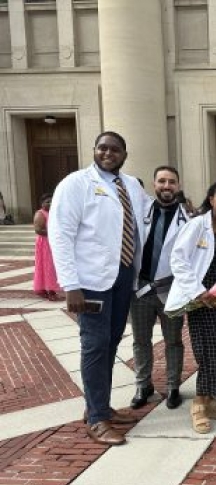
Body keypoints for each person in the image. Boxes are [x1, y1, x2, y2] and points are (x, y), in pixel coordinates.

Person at [49, 131, 147, 446]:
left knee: (111, 342)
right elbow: (60, 234)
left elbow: (145, 223)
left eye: (115, 149)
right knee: (94, 345)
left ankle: (99, 406)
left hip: (123, 276)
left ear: (125, 154)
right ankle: (96, 419)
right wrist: (70, 285)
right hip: (90, 282)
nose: (108, 153)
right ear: (94, 150)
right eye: (102, 147)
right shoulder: (75, 184)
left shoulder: (131, 185)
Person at [166, 182, 216, 433]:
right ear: (210, 199)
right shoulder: (197, 225)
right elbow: (178, 259)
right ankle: (199, 403)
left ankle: (211, 400)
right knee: (208, 349)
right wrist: (199, 291)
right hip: (200, 298)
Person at [129, 166, 189, 411]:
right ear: (154, 184)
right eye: (162, 181)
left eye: (171, 182)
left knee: (173, 341)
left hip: (171, 290)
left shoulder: (189, 218)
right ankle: (143, 385)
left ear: (178, 185)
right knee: (140, 340)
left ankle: (174, 386)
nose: (167, 186)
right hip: (141, 289)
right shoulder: (139, 211)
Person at [33, 193, 61, 301]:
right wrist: (54, 232)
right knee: (47, 266)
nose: (50, 203)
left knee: (52, 266)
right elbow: (38, 230)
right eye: (47, 202)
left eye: (51, 201)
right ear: (42, 204)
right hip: (44, 243)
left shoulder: (54, 213)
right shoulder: (40, 213)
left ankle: (46, 289)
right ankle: (51, 291)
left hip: (53, 242)